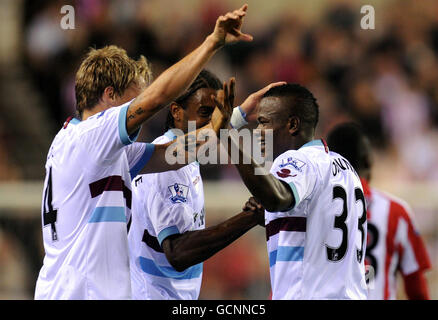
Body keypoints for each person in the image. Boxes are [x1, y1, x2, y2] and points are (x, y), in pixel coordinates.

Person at [35, 4, 253, 300]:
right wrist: (212, 42)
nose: (140, 115)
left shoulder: (95, 149)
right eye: (131, 102)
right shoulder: (91, 136)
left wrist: (234, 118)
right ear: (110, 95)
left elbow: (176, 152)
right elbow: (158, 99)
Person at [128, 69, 281, 299]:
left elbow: (209, 132)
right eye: (205, 112)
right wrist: (249, 217)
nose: (216, 122)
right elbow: (177, 252)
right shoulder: (169, 169)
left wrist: (239, 114)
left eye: (220, 114)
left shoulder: (183, 157)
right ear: (176, 112)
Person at [217, 83, 368, 299]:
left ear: (293, 125)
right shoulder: (345, 167)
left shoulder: (296, 160)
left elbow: (278, 198)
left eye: (264, 123)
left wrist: (226, 134)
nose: (258, 132)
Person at [326, 122, 431, 300]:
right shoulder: (396, 212)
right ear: (368, 159)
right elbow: (416, 286)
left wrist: (260, 138)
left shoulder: (309, 208)